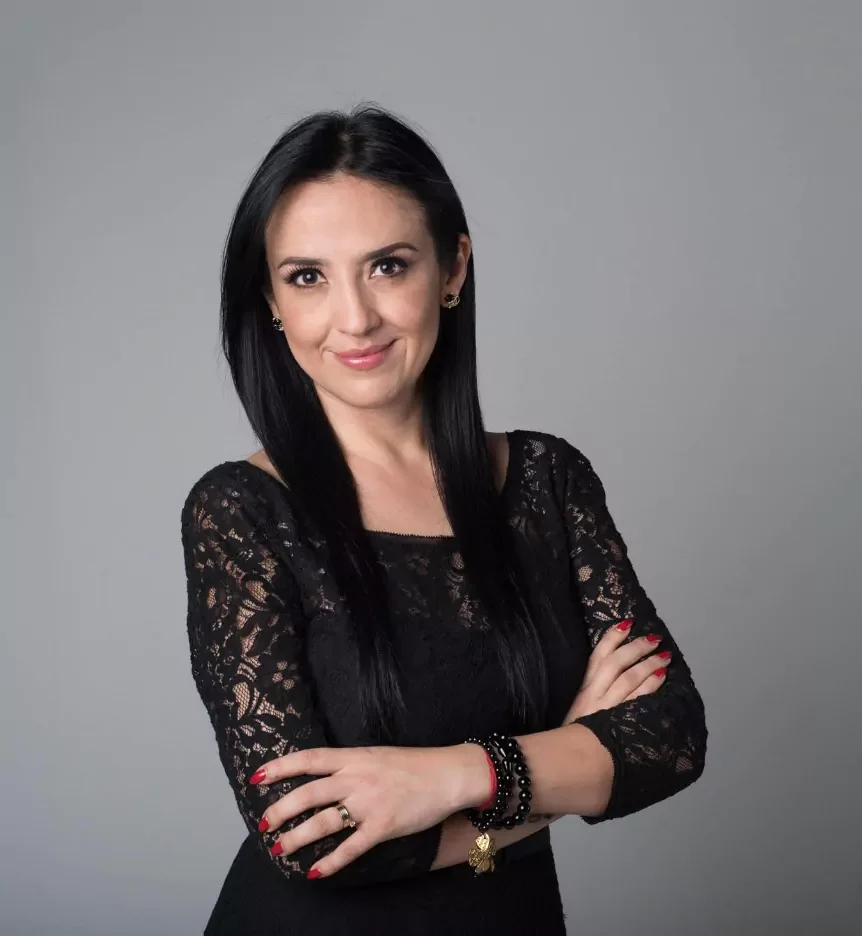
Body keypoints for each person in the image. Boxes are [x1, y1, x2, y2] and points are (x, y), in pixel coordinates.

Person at [179, 103, 708, 934]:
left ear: (452, 268)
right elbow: (314, 841)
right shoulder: (242, 512)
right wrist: (560, 757)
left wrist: (456, 775)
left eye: (388, 266)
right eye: (308, 276)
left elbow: (670, 737)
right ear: (271, 300)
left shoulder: (548, 481)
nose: (355, 318)